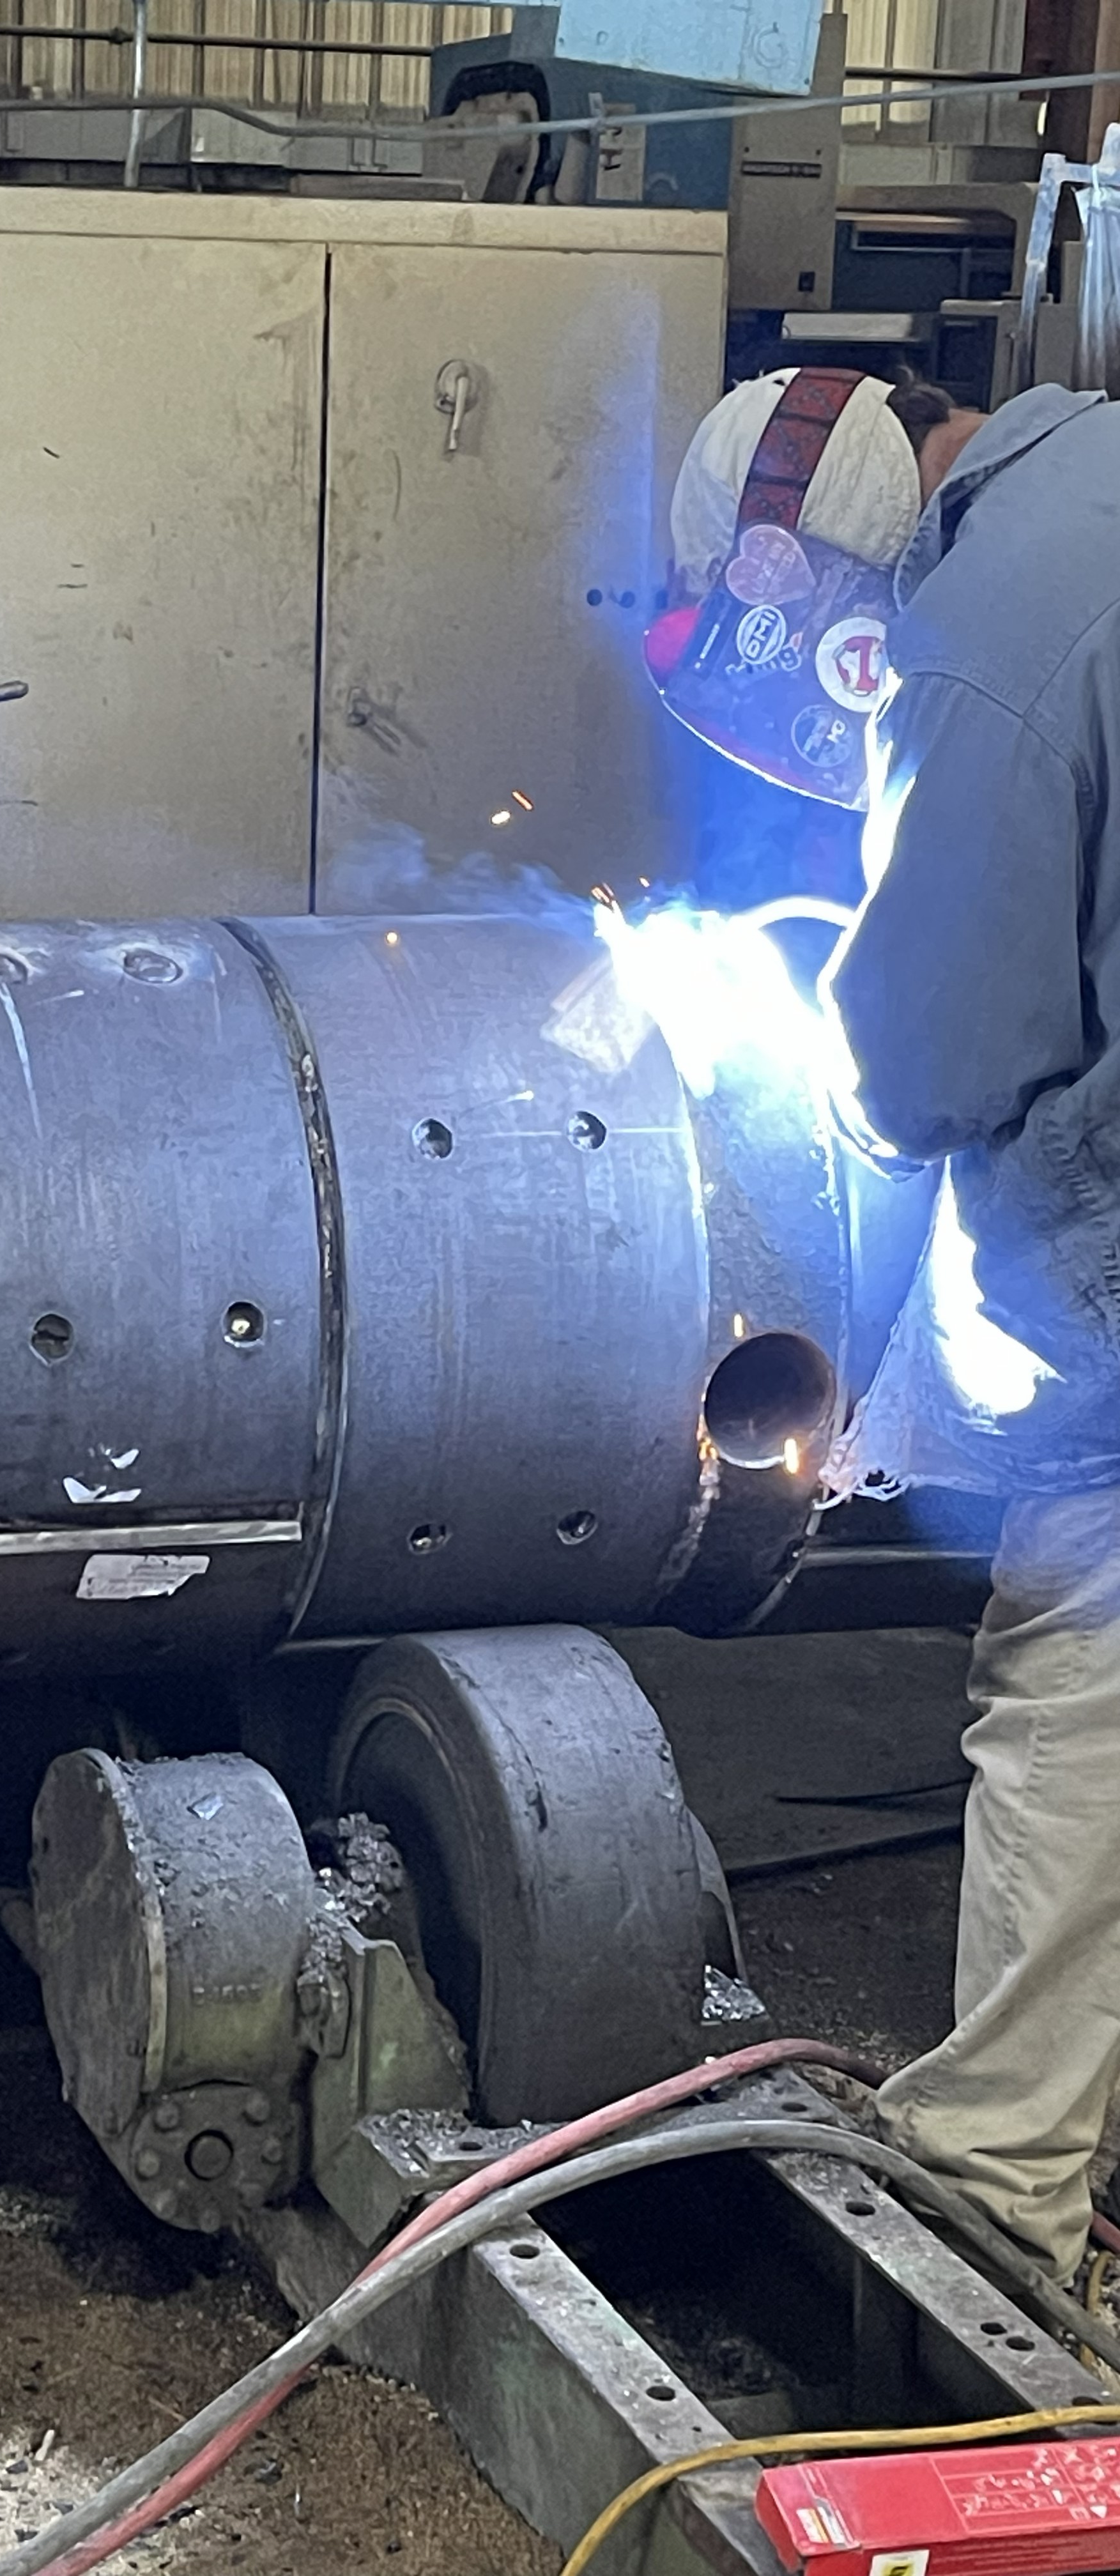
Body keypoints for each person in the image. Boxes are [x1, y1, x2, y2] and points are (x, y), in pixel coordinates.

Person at [657, 361, 1120, 2288]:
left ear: (804, 579)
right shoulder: (1084, 478)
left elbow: (942, 1035)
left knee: (1081, 1658)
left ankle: (996, 2181)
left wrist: (820, 1104)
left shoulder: (982, 631)